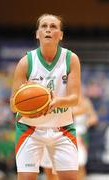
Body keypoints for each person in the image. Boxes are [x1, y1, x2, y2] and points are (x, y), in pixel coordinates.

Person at [10, 13, 81, 180]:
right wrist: (25, 103)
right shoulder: (26, 62)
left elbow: (74, 98)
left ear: (60, 35)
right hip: (30, 129)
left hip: (62, 128)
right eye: (44, 26)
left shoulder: (71, 59)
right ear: (37, 34)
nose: (48, 30)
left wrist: (55, 102)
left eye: (53, 26)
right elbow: (13, 105)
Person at [40, 93, 98, 180]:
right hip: (61, 134)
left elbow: (94, 117)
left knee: (80, 164)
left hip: (80, 136)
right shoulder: (61, 99)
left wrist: (89, 121)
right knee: (56, 167)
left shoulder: (85, 101)